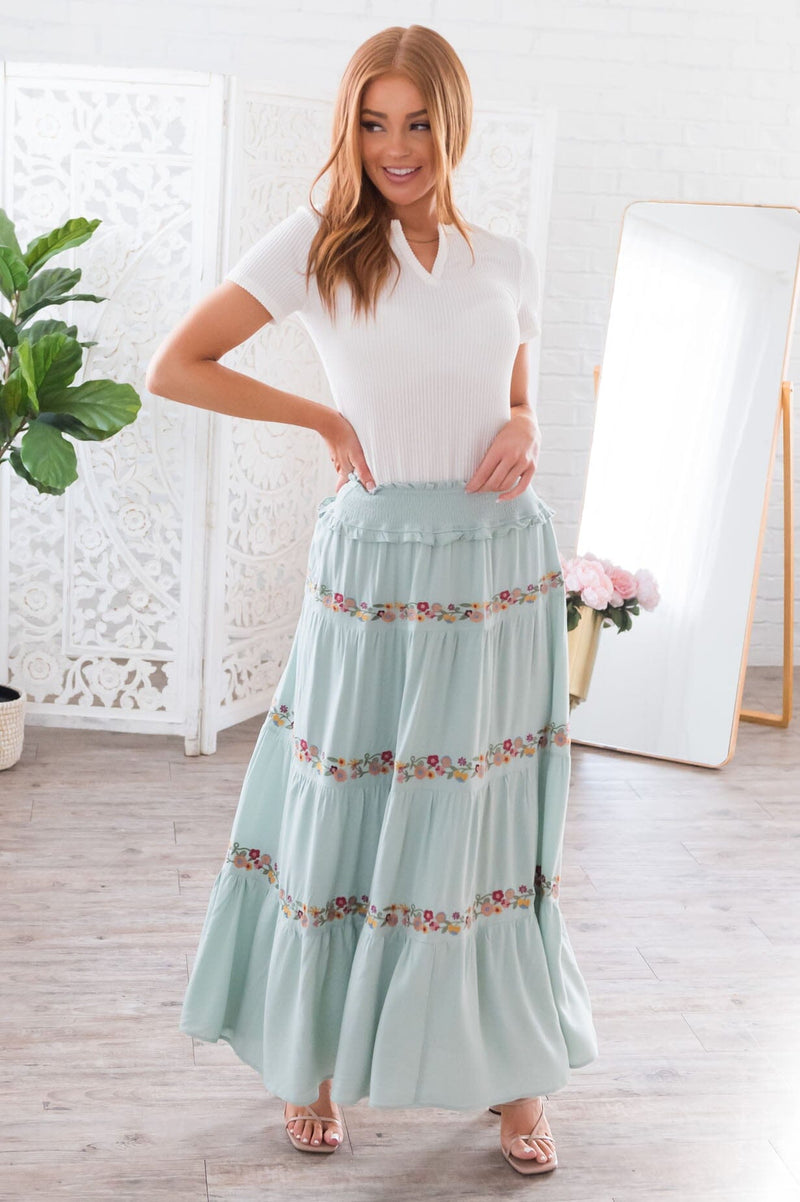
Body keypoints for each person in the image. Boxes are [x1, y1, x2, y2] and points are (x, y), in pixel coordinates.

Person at [146, 23, 598, 1178]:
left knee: (483, 819)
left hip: (494, 566)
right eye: (373, 121)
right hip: (373, 564)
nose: (396, 146)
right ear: (349, 128)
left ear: (453, 123)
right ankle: (310, 1062)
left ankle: (513, 1075)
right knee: (339, 802)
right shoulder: (315, 245)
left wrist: (525, 424)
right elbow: (176, 363)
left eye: (418, 121)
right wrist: (320, 419)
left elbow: (513, 396)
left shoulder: (503, 257)